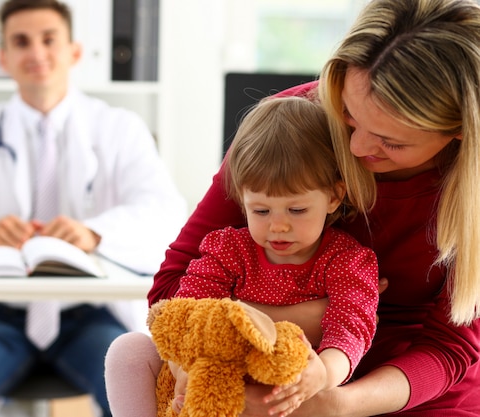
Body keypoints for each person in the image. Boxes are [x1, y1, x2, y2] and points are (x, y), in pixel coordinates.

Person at [146, 0, 480, 415]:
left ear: (462, 132)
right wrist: (312, 316)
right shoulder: (284, 133)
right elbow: (170, 291)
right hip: (271, 375)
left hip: (413, 393)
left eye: (390, 141)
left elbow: (450, 347)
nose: (355, 149)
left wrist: (337, 403)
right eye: (348, 116)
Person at [0, 1, 186, 417]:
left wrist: (95, 233)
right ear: (4, 58)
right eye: (21, 42)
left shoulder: (119, 128)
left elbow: (167, 211)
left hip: (89, 314)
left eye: (49, 40)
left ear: (74, 52)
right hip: (0, 315)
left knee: (147, 398)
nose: (37, 54)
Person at [105, 96, 380, 417]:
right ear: (241, 198)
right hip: (213, 368)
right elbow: (189, 309)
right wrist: (184, 370)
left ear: (334, 196)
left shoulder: (346, 259)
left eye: (297, 209)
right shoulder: (228, 248)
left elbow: (351, 327)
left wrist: (324, 373)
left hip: (291, 385)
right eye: (261, 210)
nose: (278, 226)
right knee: (129, 351)